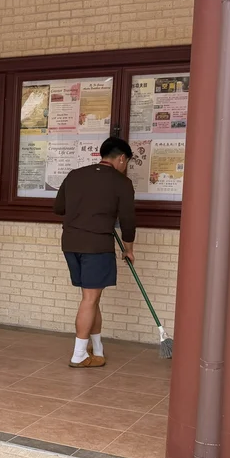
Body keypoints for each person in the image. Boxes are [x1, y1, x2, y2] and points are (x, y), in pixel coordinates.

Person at [54, 137, 137, 368]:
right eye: (126, 162)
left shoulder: (75, 175)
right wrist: (128, 249)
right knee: (90, 299)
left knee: (91, 298)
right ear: (121, 158)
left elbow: (58, 208)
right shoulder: (121, 182)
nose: (125, 166)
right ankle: (78, 354)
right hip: (97, 247)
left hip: (70, 244)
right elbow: (128, 221)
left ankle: (97, 348)